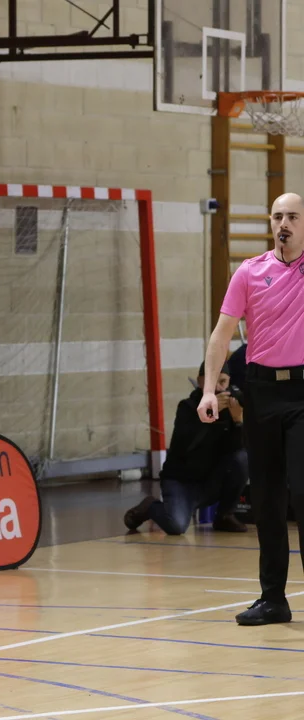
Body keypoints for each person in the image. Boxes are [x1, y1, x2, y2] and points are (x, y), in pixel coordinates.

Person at [199, 191, 304, 626]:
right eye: (278, 216)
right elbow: (221, 334)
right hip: (260, 393)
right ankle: (273, 599)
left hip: (302, 393)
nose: (284, 223)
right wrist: (209, 390)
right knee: (266, 498)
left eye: (293, 216)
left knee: (303, 492)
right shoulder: (249, 271)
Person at [123, 361, 247, 535]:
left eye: (223, 382)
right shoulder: (187, 407)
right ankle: (150, 507)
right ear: (201, 381)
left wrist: (239, 422)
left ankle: (225, 515)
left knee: (242, 458)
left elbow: (237, 451)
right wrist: (209, 412)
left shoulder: (231, 409)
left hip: (210, 482)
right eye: (213, 381)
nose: (219, 388)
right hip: (182, 482)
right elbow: (187, 444)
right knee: (176, 526)